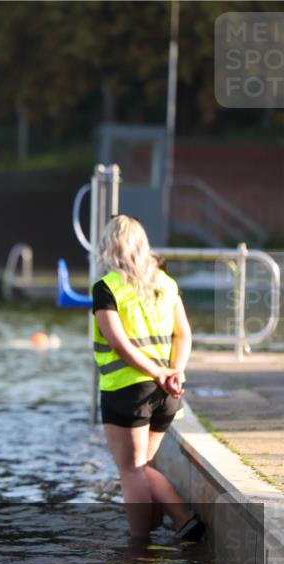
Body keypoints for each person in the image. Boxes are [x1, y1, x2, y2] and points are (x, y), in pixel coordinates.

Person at [92, 215, 204, 543]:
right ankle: (177, 523)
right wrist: (175, 372)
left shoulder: (107, 287)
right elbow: (183, 334)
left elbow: (119, 344)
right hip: (167, 392)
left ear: (108, 247)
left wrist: (158, 373)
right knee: (144, 465)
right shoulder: (165, 283)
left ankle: (141, 545)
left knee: (132, 470)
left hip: (128, 390)